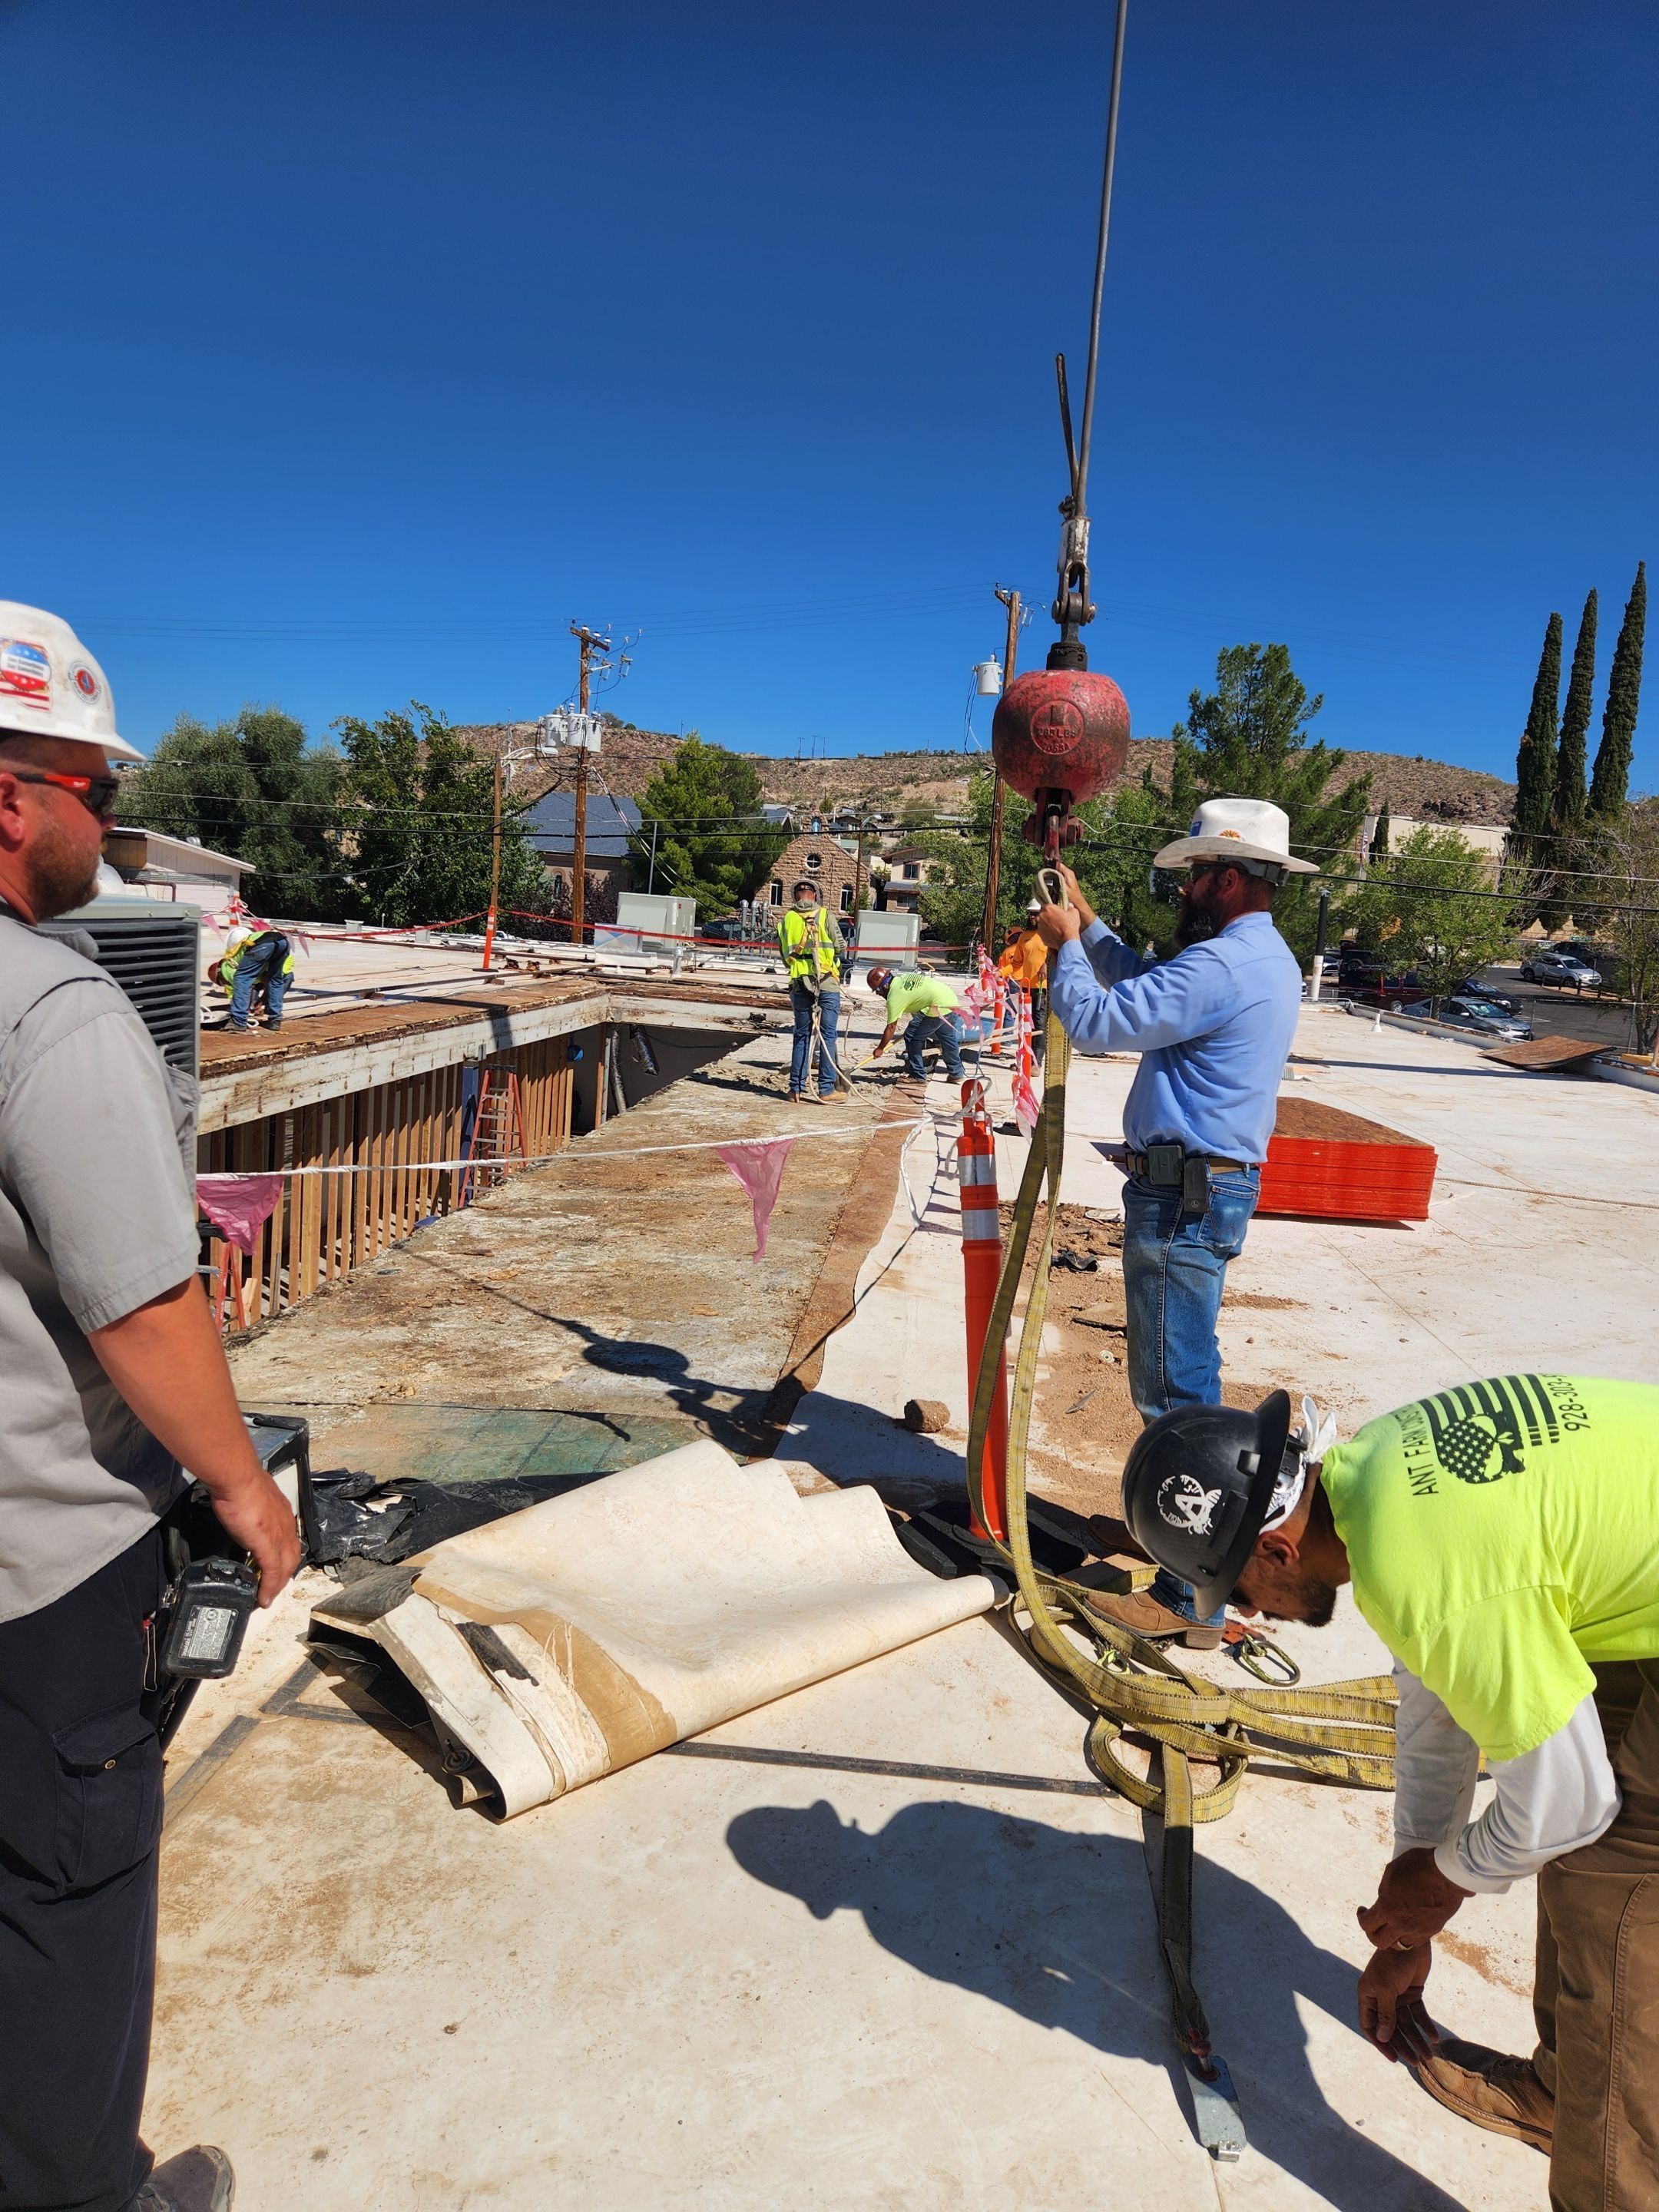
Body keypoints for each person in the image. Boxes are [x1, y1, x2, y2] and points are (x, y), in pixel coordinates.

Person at [0, 602, 302, 2212]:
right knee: (64, 1905)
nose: (107, 828)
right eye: (90, 793)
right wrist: (246, 1493)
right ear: (8, 798)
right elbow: (141, 1302)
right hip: (39, 1567)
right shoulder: (52, 1011)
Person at [1116, 1375, 1659, 2210]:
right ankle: (1573, 2097)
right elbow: (1437, 1708)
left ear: (1278, 1551)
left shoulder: (1430, 1576)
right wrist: (1413, 1900)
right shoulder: (1381, 1479)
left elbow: (1568, 1802)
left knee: (1610, 1881)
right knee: (1584, 1849)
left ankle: (1615, 2184)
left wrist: (1440, 1882)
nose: (1255, 1615)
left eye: (1244, 1594)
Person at [1034, 797, 1313, 1651]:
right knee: (1184, 1375)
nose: (1187, 888)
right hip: (1200, 1191)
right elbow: (1150, 987)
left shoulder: (1223, 968)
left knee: (1174, 1394)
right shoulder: (1255, 960)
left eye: (1197, 875)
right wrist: (1089, 925)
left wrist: (1064, 947)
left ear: (1228, 879)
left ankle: (1196, 1590)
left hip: (1183, 1196)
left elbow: (1098, 1019)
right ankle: (1182, 1544)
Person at [776, 879, 845, 1104]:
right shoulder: (825, 915)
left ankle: (795, 1089)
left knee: (801, 1036)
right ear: (815, 895)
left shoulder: (787, 919)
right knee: (828, 1036)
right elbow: (840, 946)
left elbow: (785, 956)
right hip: (826, 982)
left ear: (795, 896)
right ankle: (826, 1089)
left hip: (799, 983)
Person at [866, 965, 964, 1084]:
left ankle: (917, 1075)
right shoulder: (902, 979)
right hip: (950, 1000)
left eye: (878, 990)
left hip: (936, 1006)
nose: (878, 994)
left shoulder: (895, 996)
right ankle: (956, 1073)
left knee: (912, 1037)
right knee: (948, 1039)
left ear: (885, 986)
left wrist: (880, 1048)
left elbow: (891, 1027)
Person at [209, 923, 294, 1031]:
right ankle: (275, 1021)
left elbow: (242, 985)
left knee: (242, 979)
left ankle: (238, 1022)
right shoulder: (237, 951)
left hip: (263, 944)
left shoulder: (228, 967)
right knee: (275, 980)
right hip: (283, 942)